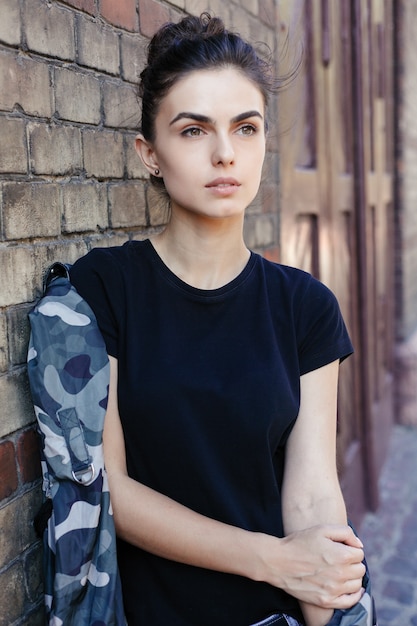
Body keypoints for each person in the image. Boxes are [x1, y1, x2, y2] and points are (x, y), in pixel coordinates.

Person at [70, 13, 366, 626]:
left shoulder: (306, 307)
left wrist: (323, 597)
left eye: (246, 127)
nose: (225, 152)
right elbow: (113, 493)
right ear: (149, 154)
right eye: (194, 129)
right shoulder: (106, 288)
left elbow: (311, 496)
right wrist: (273, 560)